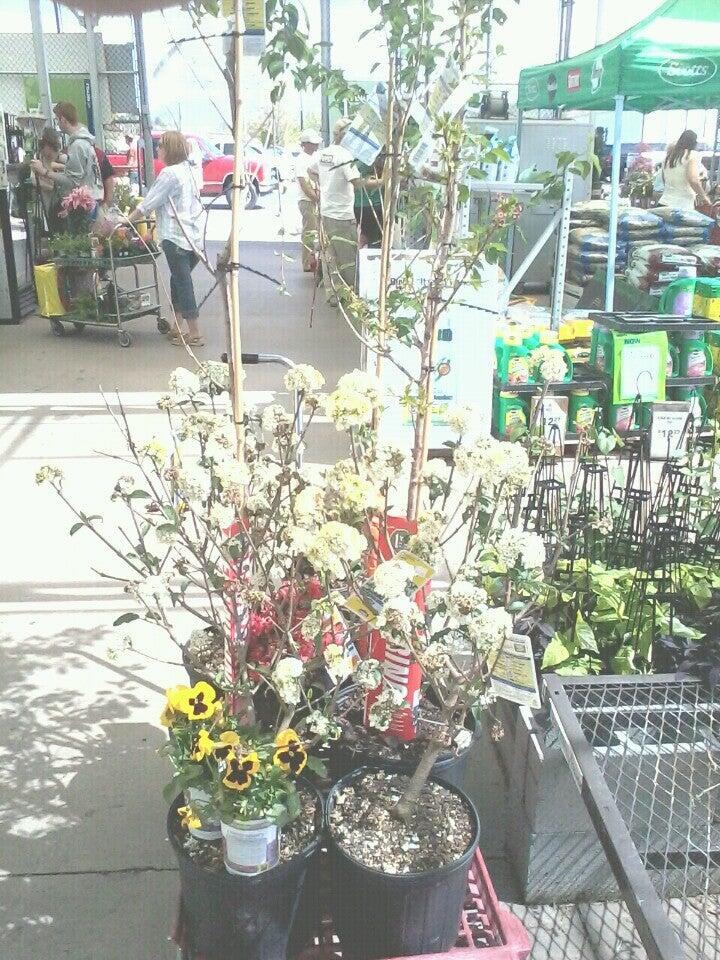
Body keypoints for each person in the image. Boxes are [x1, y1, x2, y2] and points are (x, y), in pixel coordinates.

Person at [130, 130, 205, 347]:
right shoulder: (190, 170)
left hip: (176, 237)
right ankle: (177, 326)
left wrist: (126, 222)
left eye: (161, 145)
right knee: (178, 279)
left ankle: (194, 332)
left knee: (182, 282)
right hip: (194, 238)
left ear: (170, 149)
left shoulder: (169, 174)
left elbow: (148, 204)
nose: (158, 149)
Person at [308, 118, 382, 305]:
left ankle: (333, 294)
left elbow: (311, 171)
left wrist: (324, 185)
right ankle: (350, 296)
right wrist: (382, 181)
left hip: (326, 212)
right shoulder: (345, 156)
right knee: (348, 257)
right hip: (342, 215)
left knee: (330, 255)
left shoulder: (324, 154)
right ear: (345, 135)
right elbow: (357, 183)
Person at [50, 101, 104, 209]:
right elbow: (82, 164)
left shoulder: (77, 145)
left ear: (63, 120)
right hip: (93, 197)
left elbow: (72, 181)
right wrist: (60, 158)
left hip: (84, 203)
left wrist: (45, 172)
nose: (57, 124)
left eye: (57, 120)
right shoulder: (84, 142)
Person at [659, 130, 710, 211]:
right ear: (694, 142)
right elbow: (693, 180)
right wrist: (704, 196)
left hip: (664, 202)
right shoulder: (692, 155)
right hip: (682, 205)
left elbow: (664, 179)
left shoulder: (668, 157)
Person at [30, 127, 66, 233]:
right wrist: (51, 185)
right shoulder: (38, 159)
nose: (50, 154)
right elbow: (33, 180)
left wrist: (58, 166)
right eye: (47, 149)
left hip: (60, 205)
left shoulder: (62, 158)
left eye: (53, 149)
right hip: (44, 203)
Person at [295, 129, 321, 272]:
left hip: (317, 199)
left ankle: (315, 261)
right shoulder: (301, 160)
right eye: (313, 143)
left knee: (317, 231)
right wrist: (315, 197)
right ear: (305, 144)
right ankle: (306, 262)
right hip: (307, 200)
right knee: (310, 232)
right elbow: (304, 184)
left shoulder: (316, 157)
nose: (316, 145)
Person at [355, 154, 385, 249]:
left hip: (361, 204)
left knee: (364, 237)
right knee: (373, 240)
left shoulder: (355, 157)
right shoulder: (364, 159)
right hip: (372, 204)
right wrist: (384, 181)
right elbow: (360, 183)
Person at [95, 146, 115, 210]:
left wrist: (106, 205)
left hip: (97, 204)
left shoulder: (98, 154)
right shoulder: (99, 154)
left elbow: (108, 178)